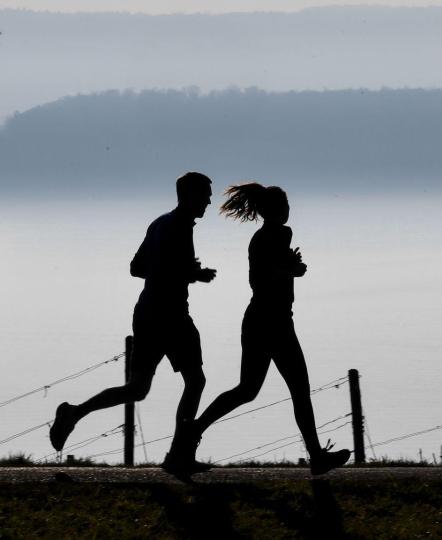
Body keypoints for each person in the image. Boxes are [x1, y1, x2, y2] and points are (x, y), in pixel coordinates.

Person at [49, 172, 217, 476]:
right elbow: (164, 271)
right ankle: (179, 454)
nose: (209, 200)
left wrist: (182, 270)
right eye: (205, 194)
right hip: (172, 315)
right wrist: (193, 273)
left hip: (147, 313)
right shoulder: (178, 226)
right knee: (195, 382)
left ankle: (75, 412)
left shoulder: (160, 223)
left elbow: (136, 268)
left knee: (138, 389)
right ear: (190, 195)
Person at [185, 182, 350, 475]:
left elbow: (270, 271)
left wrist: (289, 266)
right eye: (286, 207)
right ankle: (316, 457)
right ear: (277, 210)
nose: (289, 211)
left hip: (261, 320)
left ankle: (194, 428)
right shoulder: (271, 237)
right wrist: (292, 269)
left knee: (248, 390)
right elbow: (263, 277)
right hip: (273, 322)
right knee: (296, 389)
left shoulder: (270, 237)